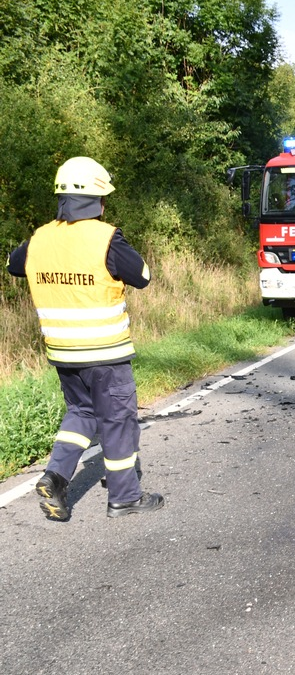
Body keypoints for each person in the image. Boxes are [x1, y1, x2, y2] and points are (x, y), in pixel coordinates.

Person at [6, 156, 164, 521]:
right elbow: (142, 275)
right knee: (117, 421)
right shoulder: (105, 237)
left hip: (63, 352)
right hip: (105, 352)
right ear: (97, 200)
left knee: (82, 413)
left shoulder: (39, 239)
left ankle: (55, 478)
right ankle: (125, 497)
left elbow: (14, 265)